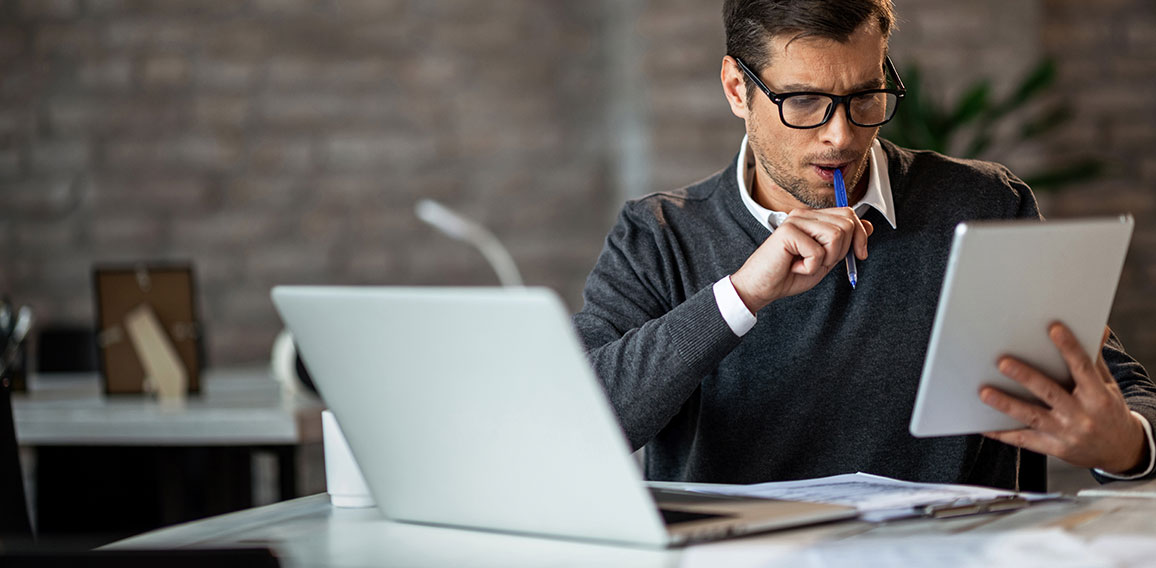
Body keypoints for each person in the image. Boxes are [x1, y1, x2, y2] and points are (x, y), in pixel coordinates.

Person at [573, 0, 1156, 491]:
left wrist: (1126, 445)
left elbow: (1123, 391)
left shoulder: (983, 204)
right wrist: (741, 295)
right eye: (802, 101)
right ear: (735, 88)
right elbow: (578, 420)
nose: (841, 134)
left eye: (865, 95)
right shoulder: (657, 236)